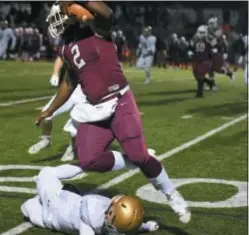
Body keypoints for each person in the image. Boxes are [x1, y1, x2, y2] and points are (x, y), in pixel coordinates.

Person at [36, 1, 190, 224]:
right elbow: (69, 82)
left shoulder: (95, 29)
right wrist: (49, 110)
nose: (55, 21)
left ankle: (172, 195)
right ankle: (132, 160)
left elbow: (107, 13)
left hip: (119, 101)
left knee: (140, 156)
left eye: (59, 15)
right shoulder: (65, 46)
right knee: (89, 159)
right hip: (95, 108)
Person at [21, 164, 160, 234]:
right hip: (62, 198)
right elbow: (129, 225)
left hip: (50, 216)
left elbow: (130, 225)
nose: (108, 213)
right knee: (45, 176)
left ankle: (81, 165)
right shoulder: (111, 221)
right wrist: (145, 226)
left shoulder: (87, 225)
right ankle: (82, 165)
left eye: (111, 215)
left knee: (27, 205)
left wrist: (144, 226)